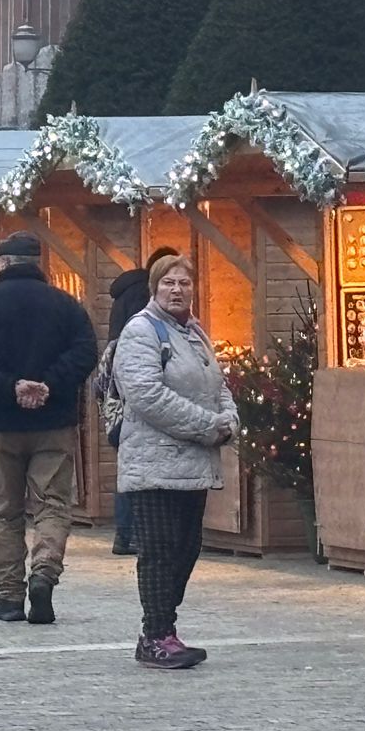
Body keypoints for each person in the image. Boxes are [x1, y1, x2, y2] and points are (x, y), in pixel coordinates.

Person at [0, 231, 98, 625]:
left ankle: (10, 596)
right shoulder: (67, 307)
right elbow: (86, 352)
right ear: (38, 263)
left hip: (0, 425)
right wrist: (49, 384)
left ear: (1, 265)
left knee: (7, 511)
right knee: (53, 504)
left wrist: (9, 387)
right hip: (53, 423)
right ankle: (45, 572)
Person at [114, 254, 238, 671]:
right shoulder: (141, 331)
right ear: (155, 287)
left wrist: (228, 418)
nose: (178, 290)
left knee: (186, 549)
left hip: (193, 464)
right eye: (169, 283)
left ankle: (164, 627)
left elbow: (216, 383)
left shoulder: (195, 332)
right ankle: (156, 634)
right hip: (154, 464)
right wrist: (207, 425)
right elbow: (147, 395)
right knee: (159, 550)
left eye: (184, 283)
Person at [103, 245, 180, 557]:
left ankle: (126, 534)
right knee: (139, 469)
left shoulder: (126, 294)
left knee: (130, 464)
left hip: (118, 395)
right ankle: (132, 533)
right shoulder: (143, 302)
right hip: (135, 395)